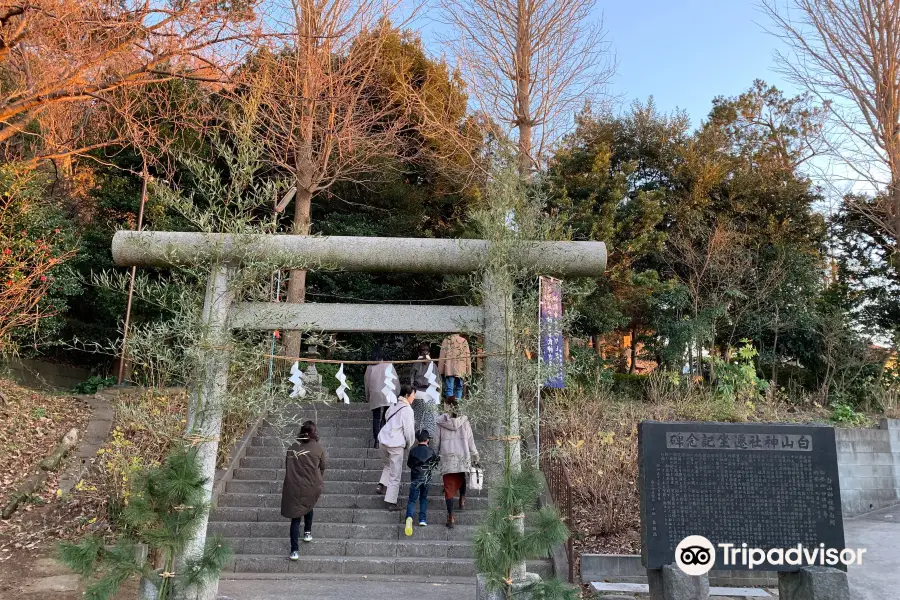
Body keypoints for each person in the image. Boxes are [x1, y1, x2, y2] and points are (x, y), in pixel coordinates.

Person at [280, 421, 326, 561]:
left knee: (295, 517)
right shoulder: (318, 448)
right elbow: (323, 467)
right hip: (311, 484)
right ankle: (307, 532)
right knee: (308, 505)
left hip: (293, 485)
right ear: (314, 432)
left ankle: (294, 551)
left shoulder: (292, 447)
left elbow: (287, 465)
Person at [432, 398, 479, 528]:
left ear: (447, 407)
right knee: (462, 477)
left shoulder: (440, 423)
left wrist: (434, 455)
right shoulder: (465, 421)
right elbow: (470, 440)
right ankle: (462, 499)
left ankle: (451, 516)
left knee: (448, 488)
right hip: (462, 456)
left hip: (448, 458)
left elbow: (436, 442)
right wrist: (475, 454)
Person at [376, 383, 416, 510]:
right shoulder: (408, 410)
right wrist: (409, 444)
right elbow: (409, 430)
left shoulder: (393, 405)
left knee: (388, 465)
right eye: (413, 395)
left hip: (383, 441)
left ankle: (381, 485)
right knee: (395, 473)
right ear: (407, 395)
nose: (414, 398)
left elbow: (387, 417)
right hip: (395, 444)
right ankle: (391, 502)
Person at [365, 343, 399, 449]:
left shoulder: (370, 367)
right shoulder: (389, 365)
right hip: (387, 393)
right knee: (386, 416)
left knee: (376, 417)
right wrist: (396, 394)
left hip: (375, 393)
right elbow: (395, 381)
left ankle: (376, 439)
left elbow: (366, 382)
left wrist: (368, 396)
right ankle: (384, 437)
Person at [405, 429, 438, 536]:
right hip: (426, 479)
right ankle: (422, 520)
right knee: (423, 499)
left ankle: (409, 517)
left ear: (417, 440)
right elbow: (435, 464)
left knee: (412, 500)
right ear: (427, 440)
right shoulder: (431, 451)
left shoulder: (413, 451)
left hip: (415, 478)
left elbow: (409, 464)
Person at [409, 342, 440, 437]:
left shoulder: (429, 365)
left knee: (423, 416)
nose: (425, 353)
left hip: (425, 392)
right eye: (423, 351)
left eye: (426, 351)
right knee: (425, 415)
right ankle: (424, 434)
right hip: (422, 392)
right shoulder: (420, 364)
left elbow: (411, 379)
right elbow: (438, 381)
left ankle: (423, 434)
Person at [439, 333, 471, 402]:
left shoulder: (447, 340)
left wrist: (440, 370)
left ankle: (449, 407)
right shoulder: (464, 341)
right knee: (459, 388)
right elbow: (467, 357)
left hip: (449, 369)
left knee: (449, 388)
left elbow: (442, 355)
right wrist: (468, 370)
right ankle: (457, 406)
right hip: (461, 369)